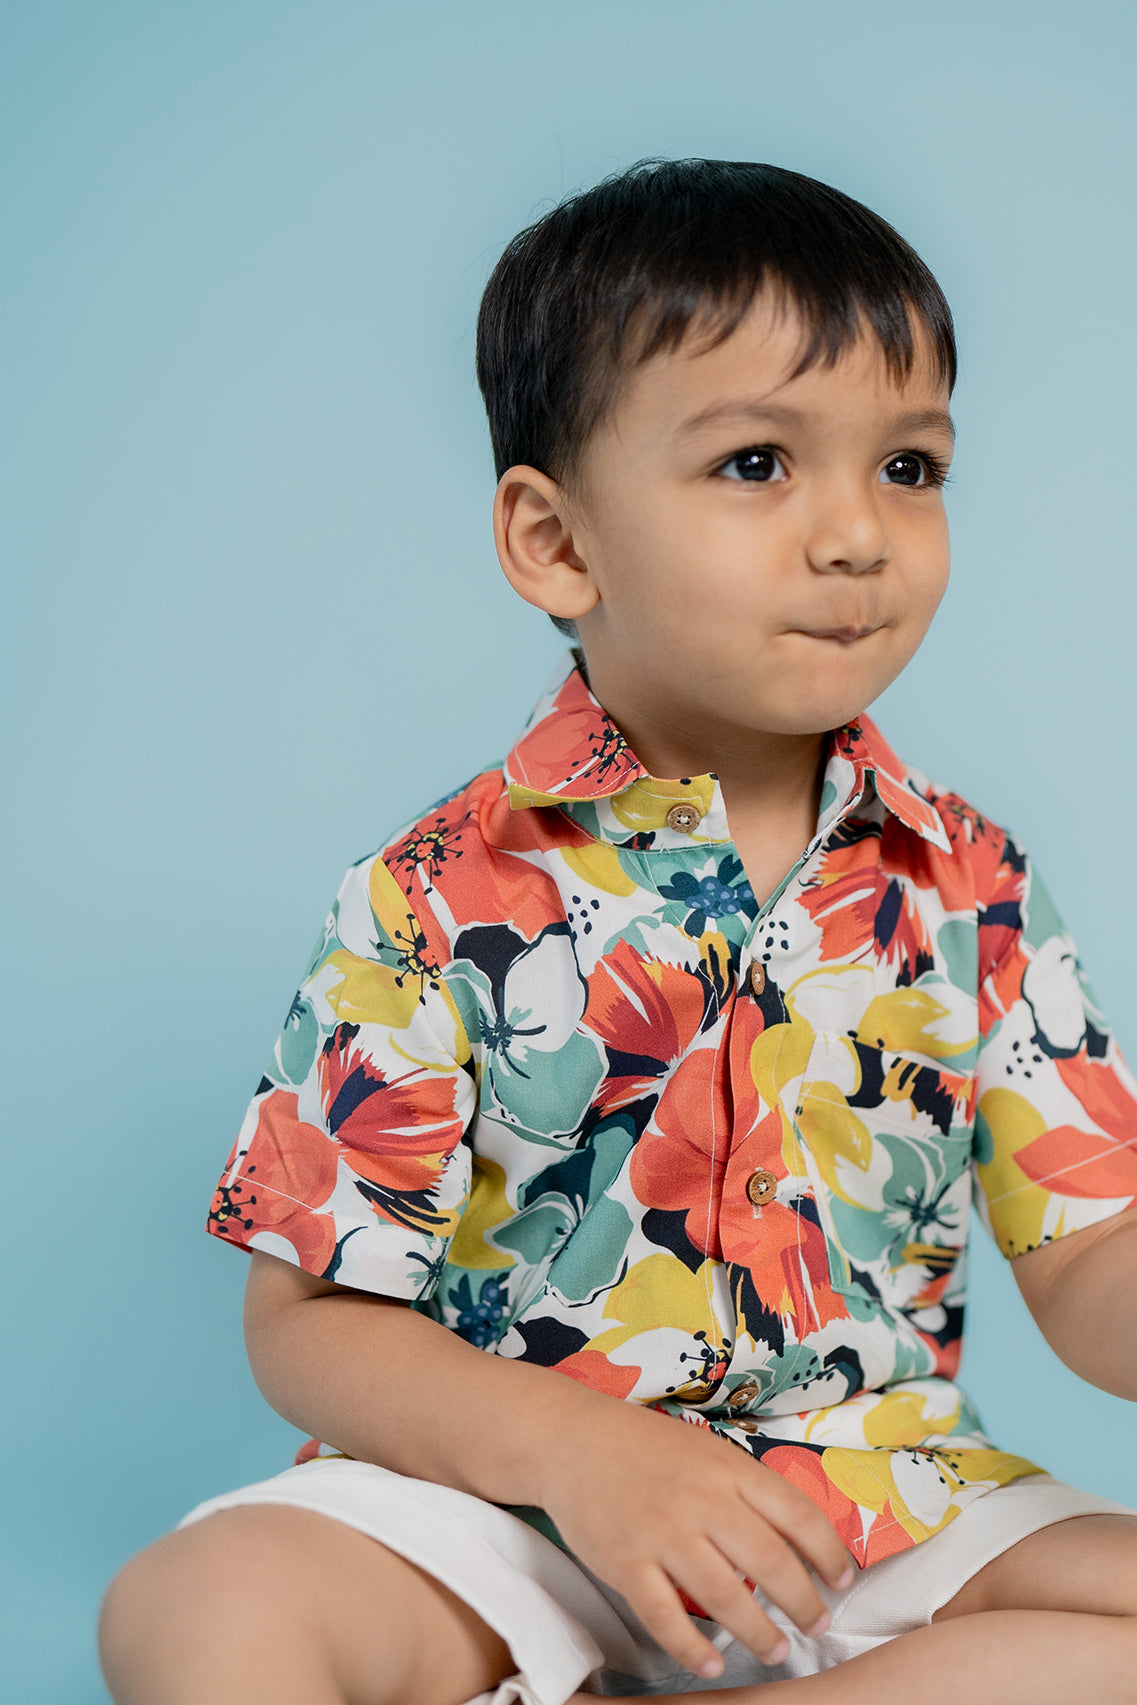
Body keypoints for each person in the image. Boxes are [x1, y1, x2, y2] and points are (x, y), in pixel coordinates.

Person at [99, 158, 1137, 1705]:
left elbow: (1093, 1246)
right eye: (755, 463)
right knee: (200, 1607)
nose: (855, 534)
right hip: (501, 1501)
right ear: (555, 544)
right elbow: (306, 1319)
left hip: (868, 1504)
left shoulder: (970, 879)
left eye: (907, 468)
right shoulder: (434, 886)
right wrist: (583, 1457)